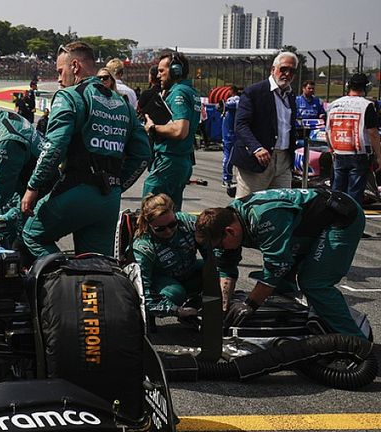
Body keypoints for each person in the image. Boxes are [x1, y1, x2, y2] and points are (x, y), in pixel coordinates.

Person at [20, 41, 151, 257]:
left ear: (75, 66)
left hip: (76, 189)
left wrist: (33, 186)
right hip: (109, 198)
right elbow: (143, 154)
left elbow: (54, 147)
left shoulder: (69, 96)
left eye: (60, 72)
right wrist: (118, 184)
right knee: (97, 264)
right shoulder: (124, 104)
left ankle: (64, 279)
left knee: (33, 234)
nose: (59, 79)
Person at [195, 188, 366, 338]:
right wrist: (223, 307)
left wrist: (249, 305)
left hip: (340, 219)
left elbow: (275, 268)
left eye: (218, 245)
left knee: (313, 283)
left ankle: (355, 341)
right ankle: (296, 324)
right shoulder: (229, 218)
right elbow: (226, 266)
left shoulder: (265, 218)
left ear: (229, 232)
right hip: (305, 225)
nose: (220, 249)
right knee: (280, 286)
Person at [229, 51, 300, 198]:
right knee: (248, 207)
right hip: (257, 160)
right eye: (283, 69)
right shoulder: (254, 92)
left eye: (292, 71)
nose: (287, 74)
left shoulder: (291, 96)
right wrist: (256, 148)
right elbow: (241, 125)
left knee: (281, 206)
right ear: (273, 69)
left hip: (283, 161)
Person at [141, 50, 201, 210]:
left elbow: (180, 130)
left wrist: (152, 127)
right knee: (171, 214)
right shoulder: (191, 92)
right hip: (182, 161)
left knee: (150, 210)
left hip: (169, 161)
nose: (158, 75)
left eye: (161, 71)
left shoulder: (178, 92)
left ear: (175, 70)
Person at [131, 193, 203, 322]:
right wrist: (177, 310)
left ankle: (197, 304)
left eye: (172, 224)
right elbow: (142, 292)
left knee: (213, 269)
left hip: (188, 271)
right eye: (160, 229)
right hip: (162, 284)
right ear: (149, 225)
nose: (169, 231)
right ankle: (154, 314)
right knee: (176, 292)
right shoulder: (143, 247)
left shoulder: (188, 222)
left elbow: (213, 249)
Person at [325, 73, 380, 205]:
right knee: (354, 195)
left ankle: (335, 221)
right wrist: (379, 156)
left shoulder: (333, 104)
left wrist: (331, 148)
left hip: (338, 151)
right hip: (359, 154)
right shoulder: (367, 105)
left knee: (337, 193)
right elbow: (373, 133)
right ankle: (351, 222)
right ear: (366, 88)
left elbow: (328, 130)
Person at [221, 86, 240, 189]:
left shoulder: (236, 100)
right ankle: (226, 178)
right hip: (227, 134)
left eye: (229, 90)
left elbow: (228, 105)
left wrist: (224, 105)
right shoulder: (229, 101)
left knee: (229, 157)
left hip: (231, 134)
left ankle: (227, 178)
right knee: (228, 156)